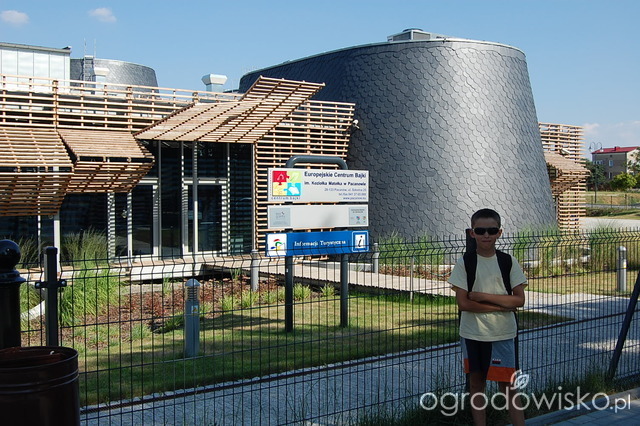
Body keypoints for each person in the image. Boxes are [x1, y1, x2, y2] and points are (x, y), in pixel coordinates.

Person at [448, 208, 527, 426]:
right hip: (473, 334)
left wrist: (482, 296)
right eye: (480, 230)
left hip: (502, 334)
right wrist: (501, 306)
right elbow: (464, 303)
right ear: (472, 233)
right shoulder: (465, 263)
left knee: (508, 386)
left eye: (491, 230)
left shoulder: (508, 262)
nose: (486, 235)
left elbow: (519, 300)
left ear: (499, 233)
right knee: (476, 385)